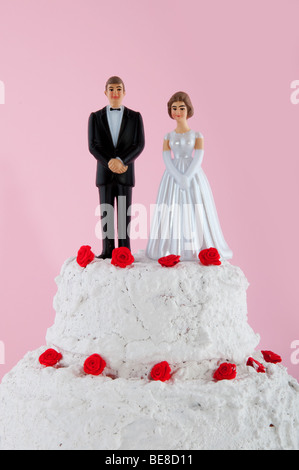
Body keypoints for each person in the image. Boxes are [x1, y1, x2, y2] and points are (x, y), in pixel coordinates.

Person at [146, 91, 232, 261]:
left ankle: (195, 247)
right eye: (174, 108)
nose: (178, 111)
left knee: (196, 208)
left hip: (193, 175)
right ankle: (170, 247)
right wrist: (177, 176)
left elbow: (199, 156)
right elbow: (166, 157)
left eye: (181, 107)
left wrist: (188, 175)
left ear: (188, 110)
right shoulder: (168, 136)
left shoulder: (197, 135)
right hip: (172, 176)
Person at [88, 76, 145, 258]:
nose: (115, 93)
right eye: (111, 89)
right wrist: (109, 162)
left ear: (124, 92)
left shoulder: (135, 117)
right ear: (105, 92)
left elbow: (139, 144)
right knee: (106, 212)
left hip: (125, 173)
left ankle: (124, 250)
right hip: (105, 173)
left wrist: (121, 160)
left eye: (119, 89)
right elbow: (93, 146)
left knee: (124, 213)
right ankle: (107, 250)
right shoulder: (95, 117)